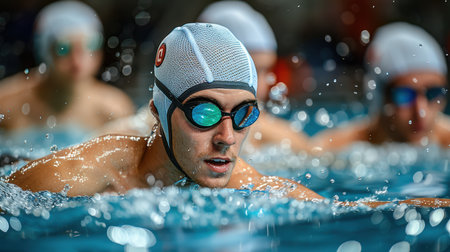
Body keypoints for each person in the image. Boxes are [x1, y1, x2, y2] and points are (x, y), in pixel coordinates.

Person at [4, 23, 449, 208]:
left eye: (243, 114)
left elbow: (342, 208)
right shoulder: (76, 173)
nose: (227, 138)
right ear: (159, 114)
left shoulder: (237, 176)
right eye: (203, 112)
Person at [311, 22, 450, 152]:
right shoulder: (344, 146)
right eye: (404, 96)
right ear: (379, 96)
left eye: (433, 93)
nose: (421, 112)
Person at [0, 1, 135, 132]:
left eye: (90, 45)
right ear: (44, 52)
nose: (77, 61)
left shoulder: (114, 110)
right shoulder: (7, 105)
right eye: (63, 49)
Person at [198, 1, 310, 152]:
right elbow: (312, 150)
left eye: (267, 71)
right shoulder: (262, 130)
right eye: (254, 71)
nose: (265, 84)